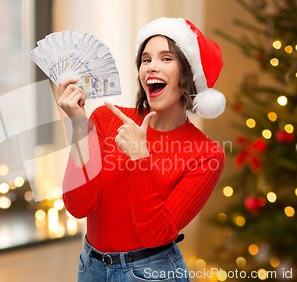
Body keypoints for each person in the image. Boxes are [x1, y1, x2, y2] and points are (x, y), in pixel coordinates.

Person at [56, 17, 226, 282]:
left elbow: (156, 234)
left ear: (188, 74)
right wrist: (79, 126)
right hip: (91, 268)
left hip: (153, 273)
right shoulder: (104, 119)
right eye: (146, 60)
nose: (151, 67)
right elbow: (78, 206)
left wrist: (140, 157)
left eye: (166, 58)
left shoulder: (206, 154)